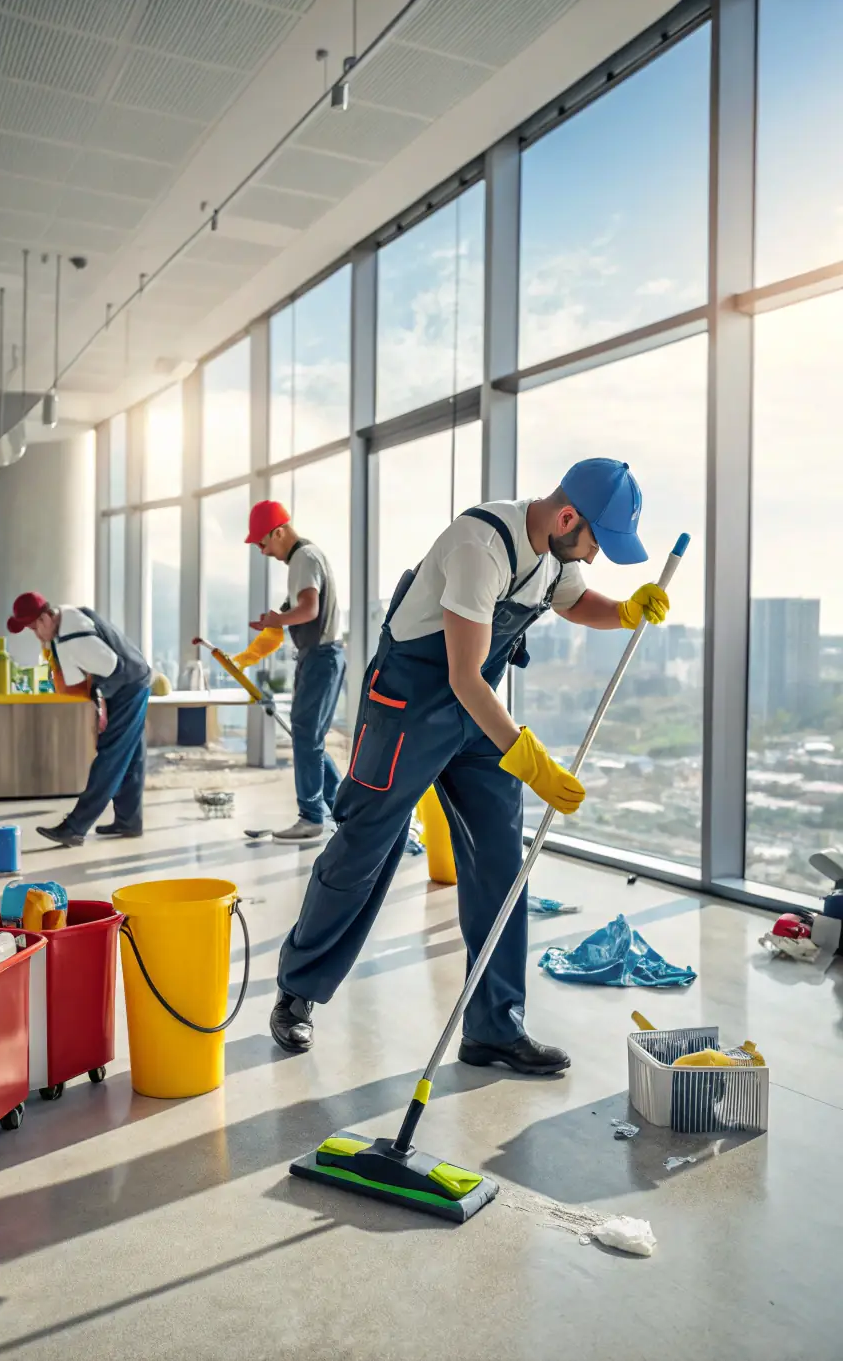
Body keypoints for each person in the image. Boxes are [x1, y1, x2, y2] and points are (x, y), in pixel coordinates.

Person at [269, 458, 670, 1073]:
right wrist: (531, 761)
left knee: (501, 859)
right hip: (410, 705)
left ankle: (494, 1027)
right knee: (366, 847)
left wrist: (624, 612)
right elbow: (461, 674)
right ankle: (297, 990)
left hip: (474, 711)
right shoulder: (480, 545)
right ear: (568, 518)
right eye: (595, 542)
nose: (593, 556)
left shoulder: (554, 556)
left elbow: (575, 601)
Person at [5, 591, 152, 847]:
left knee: (110, 755)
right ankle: (129, 821)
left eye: (33, 628)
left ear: (45, 618)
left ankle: (75, 826)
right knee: (130, 756)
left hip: (129, 685)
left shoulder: (74, 638)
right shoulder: (69, 615)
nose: (36, 635)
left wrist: (101, 704)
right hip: (133, 679)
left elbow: (109, 669)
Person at [238, 500, 346, 842]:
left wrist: (278, 620)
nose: (262, 550)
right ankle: (345, 811)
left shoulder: (303, 558)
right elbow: (301, 609)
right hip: (322, 657)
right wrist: (276, 621)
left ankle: (312, 817)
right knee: (309, 738)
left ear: (279, 531)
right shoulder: (307, 558)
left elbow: (309, 609)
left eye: (263, 542)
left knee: (306, 736)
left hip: (321, 657)